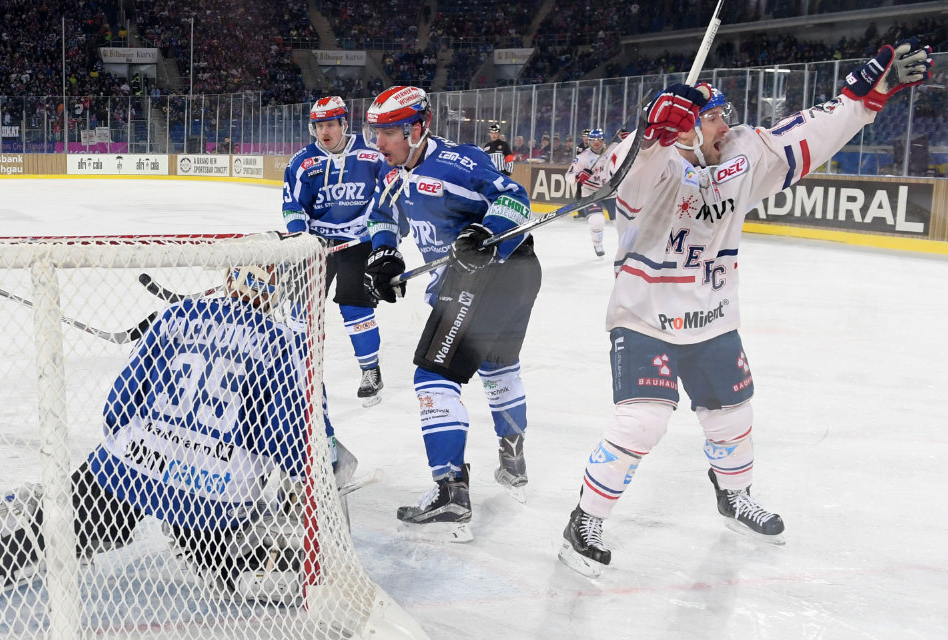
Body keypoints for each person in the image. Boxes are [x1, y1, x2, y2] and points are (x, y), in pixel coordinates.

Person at [558, 37, 933, 577]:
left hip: (711, 314)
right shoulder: (655, 158)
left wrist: (871, 88)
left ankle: (734, 497)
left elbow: (813, 129)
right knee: (643, 421)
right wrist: (651, 135)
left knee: (732, 414)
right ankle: (584, 520)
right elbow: (626, 185)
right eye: (708, 118)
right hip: (645, 313)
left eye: (721, 117)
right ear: (683, 125)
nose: (721, 126)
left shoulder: (742, 153)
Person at [0, 262, 328, 603]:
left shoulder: (176, 315)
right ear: (277, 291)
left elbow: (120, 401)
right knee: (215, 535)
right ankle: (237, 568)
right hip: (217, 491)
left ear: (228, 276)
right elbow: (288, 433)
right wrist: (302, 477)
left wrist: (130, 446)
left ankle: (11, 551)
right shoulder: (286, 342)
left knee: (72, 516)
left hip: (136, 462)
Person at [362, 86, 542, 540]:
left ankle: (451, 491)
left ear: (417, 128)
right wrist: (385, 256)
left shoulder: (455, 163)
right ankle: (514, 461)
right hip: (517, 275)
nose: (378, 143)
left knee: (433, 378)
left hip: (489, 275)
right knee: (499, 368)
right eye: (375, 132)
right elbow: (383, 218)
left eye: (388, 133)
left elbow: (515, 198)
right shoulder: (397, 174)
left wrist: (486, 231)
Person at [282, 95, 387, 406]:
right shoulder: (301, 162)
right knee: (302, 311)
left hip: (358, 243)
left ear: (344, 124)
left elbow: (385, 194)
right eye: (318, 126)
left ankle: (371, 370)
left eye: (330, 124)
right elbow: (292, 206)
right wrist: (301, 238)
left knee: (355, 307)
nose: (324, 132)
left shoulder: (371, 156)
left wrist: (378, 226)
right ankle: (298, 370)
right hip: (316, 246)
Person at [564, 128, 613, 256]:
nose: (596, 142)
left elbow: (630, 150)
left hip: (611, 190)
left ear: (603, 140)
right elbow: (568, 176)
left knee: (624, 221)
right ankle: (597, 244)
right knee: (597, 220)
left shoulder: (613, 150)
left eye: (599, 139)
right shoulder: (582, 157)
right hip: (591, 192)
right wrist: (579, 176)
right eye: (593, 140)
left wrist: (626, 137)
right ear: (589, 141)